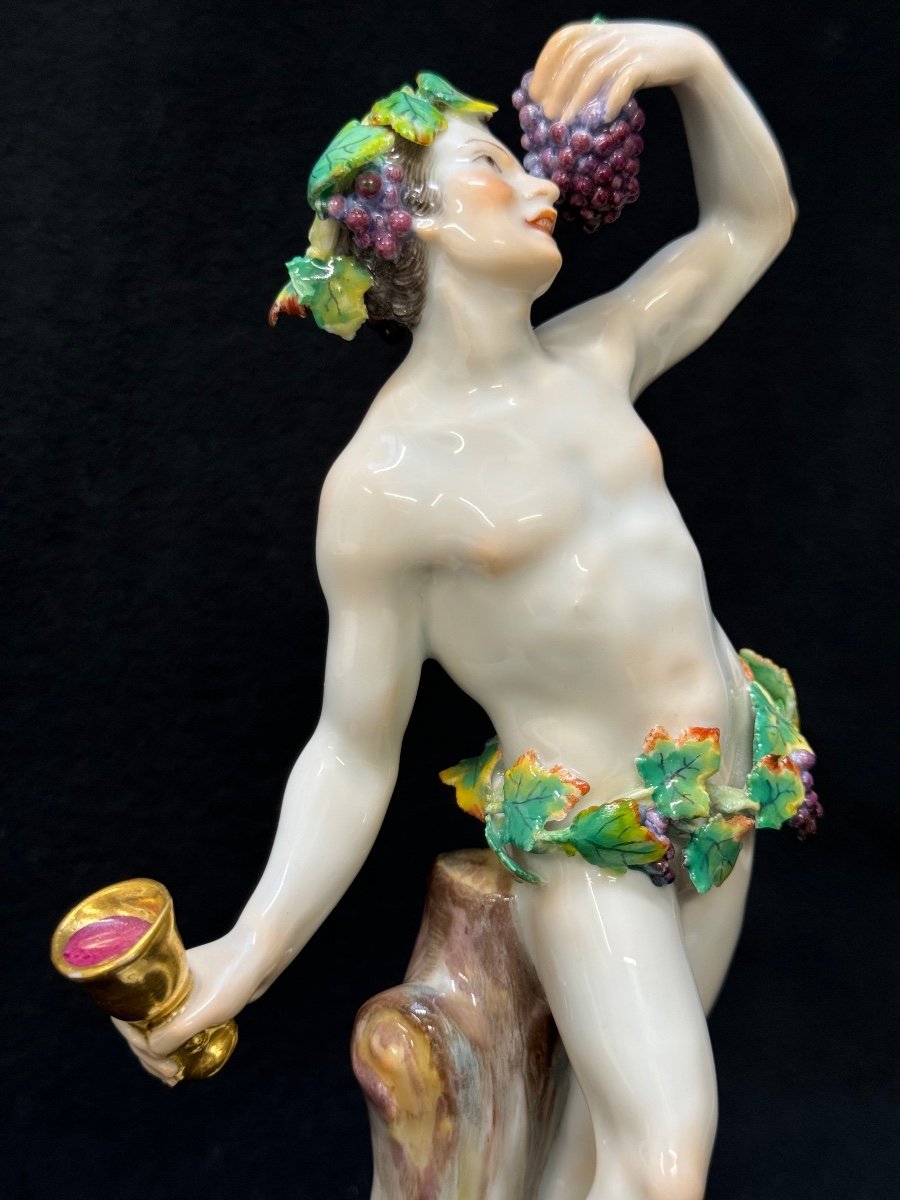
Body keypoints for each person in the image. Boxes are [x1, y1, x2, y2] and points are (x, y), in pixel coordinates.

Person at [117, 19, 799, 1200]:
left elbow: (753, 222)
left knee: (585, 1152)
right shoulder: (382, 489)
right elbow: (352, 748)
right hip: (594, 844)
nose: (542, 185)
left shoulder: (598, 354)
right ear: (418, 222)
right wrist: (247, 955)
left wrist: (691, 63)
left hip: (722, 792)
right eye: (492, 166)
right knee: (664, 1159)